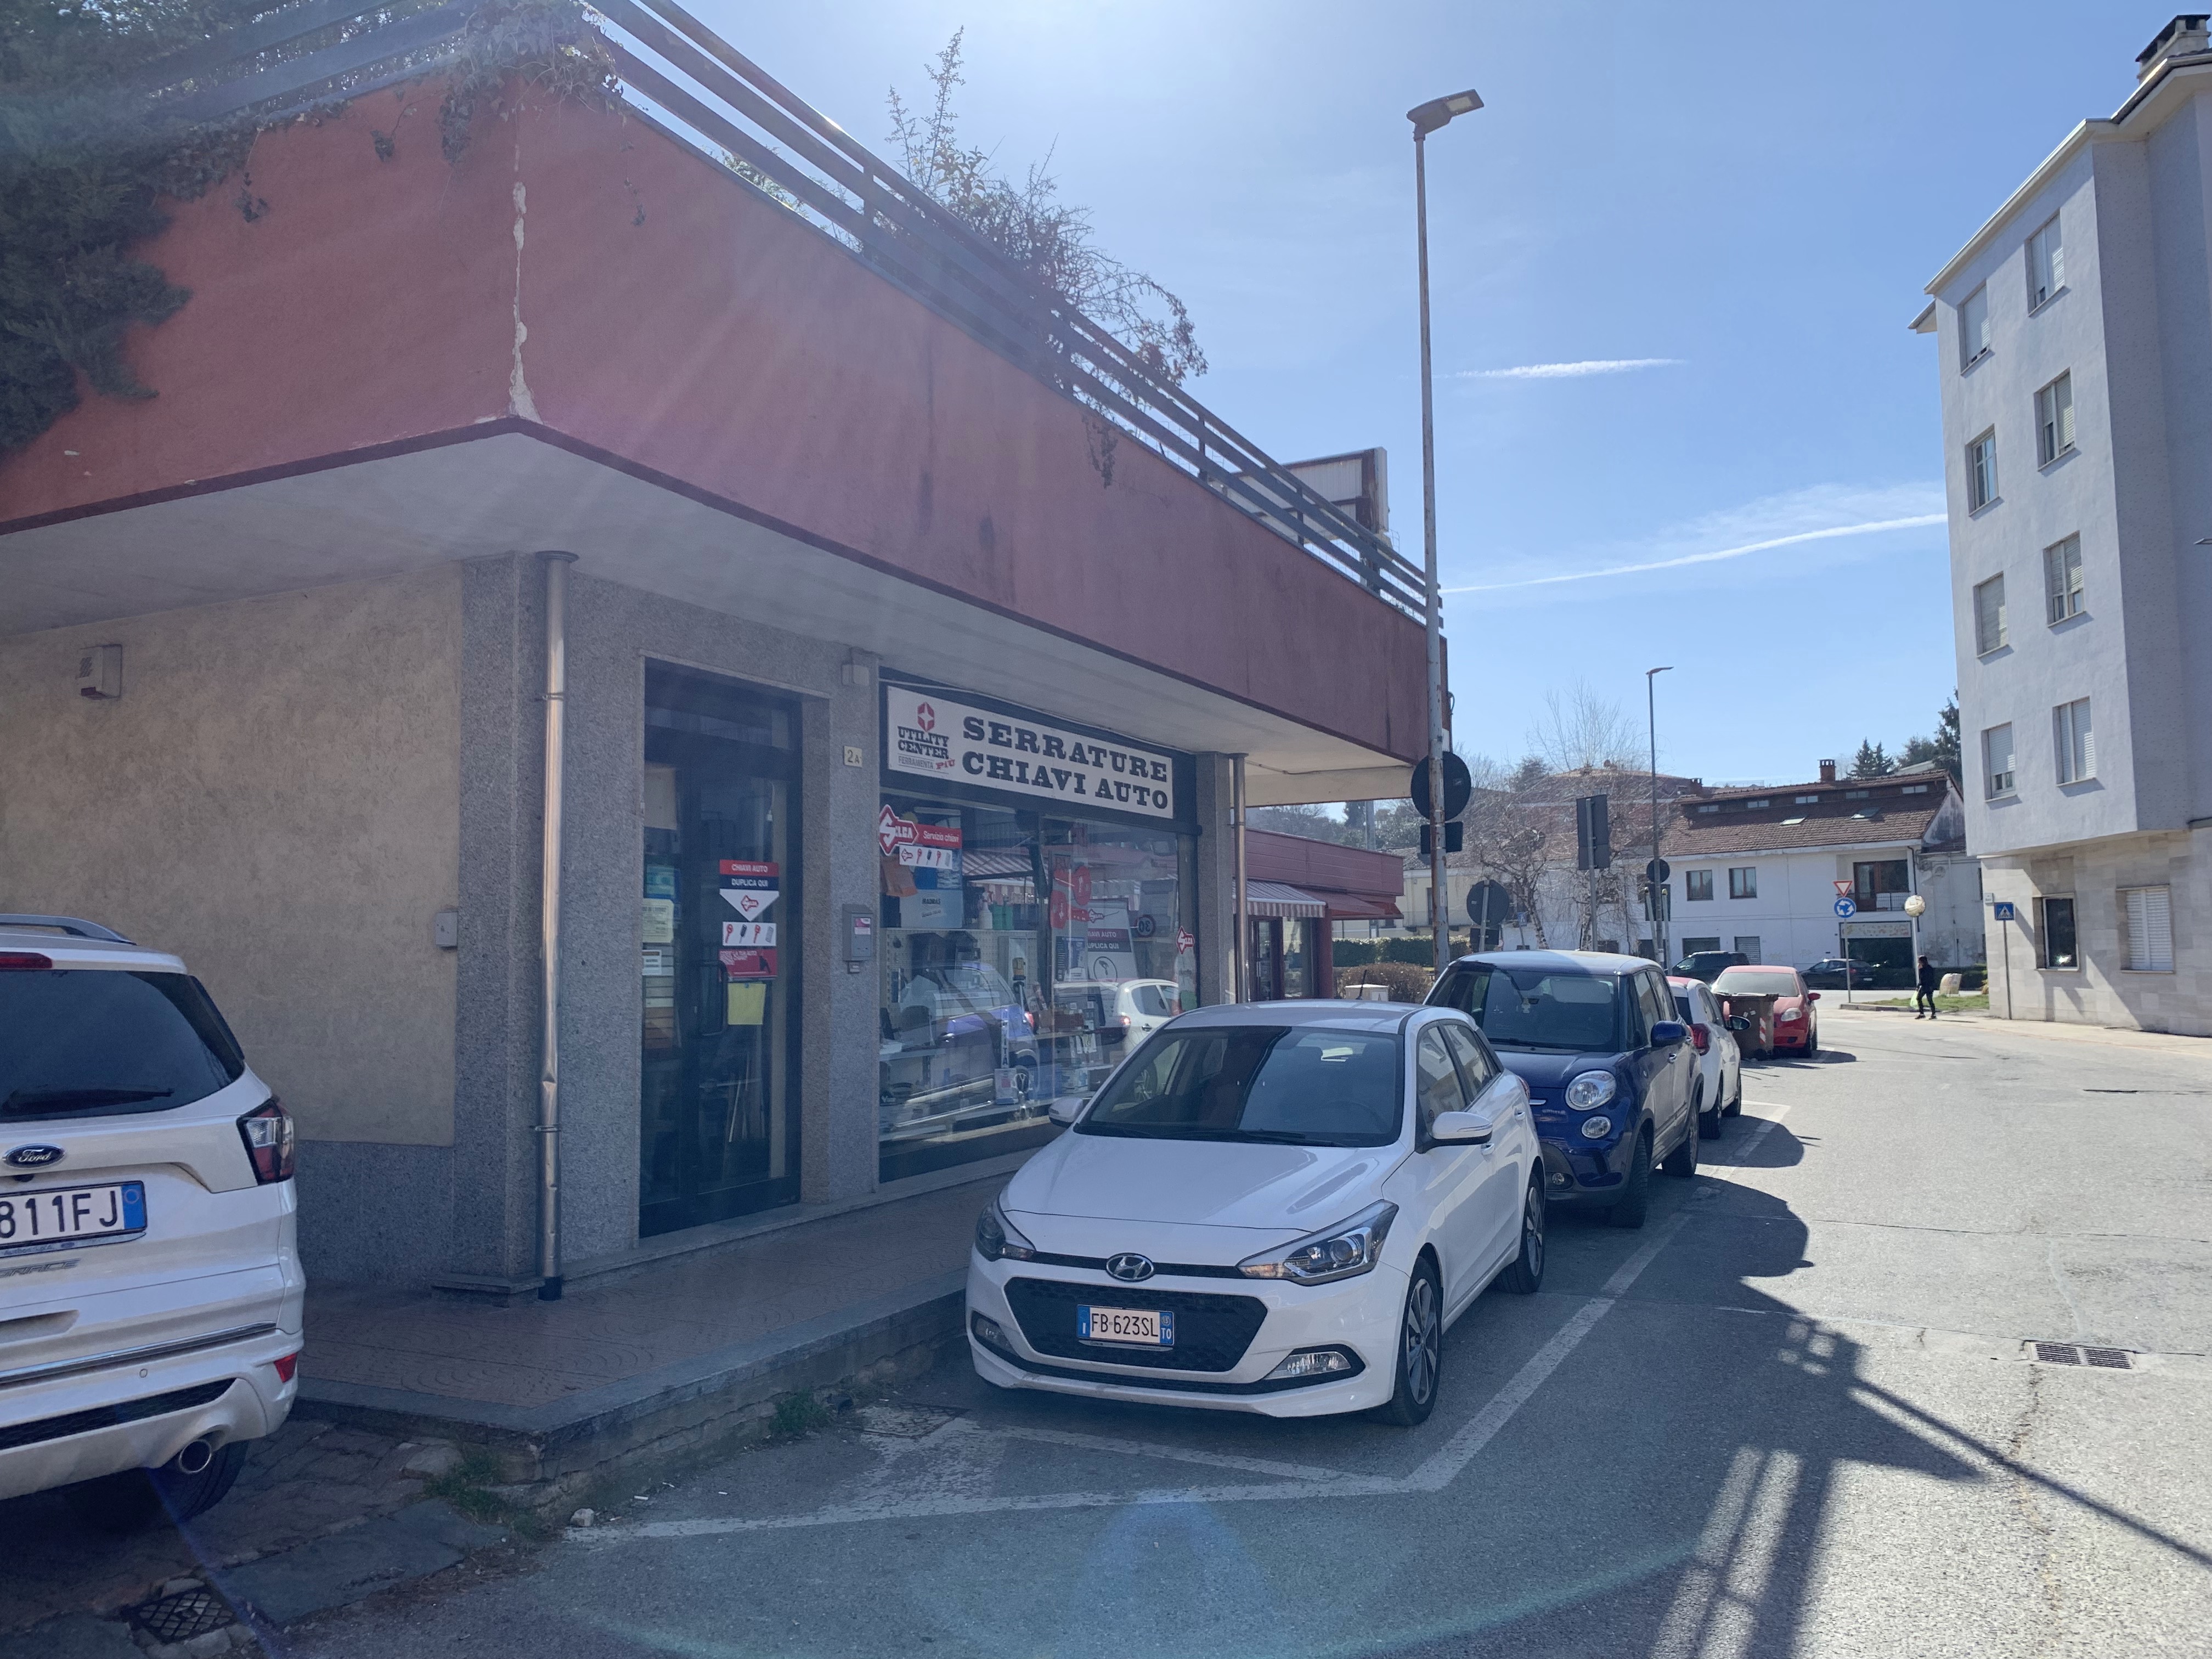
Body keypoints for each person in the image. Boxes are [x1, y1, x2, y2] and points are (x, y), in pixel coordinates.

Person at [1915, 953, 1939, 1019]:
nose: (1918, 962)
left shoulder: (1923, 969)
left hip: (1925, 986)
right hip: (1930, 986)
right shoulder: (1930, 968)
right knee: (1930, 1000)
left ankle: (1922, 1013)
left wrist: (1918, 986)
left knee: (1919, 998)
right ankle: (1934, 1014)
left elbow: (1922, 978)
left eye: (1919, 961)